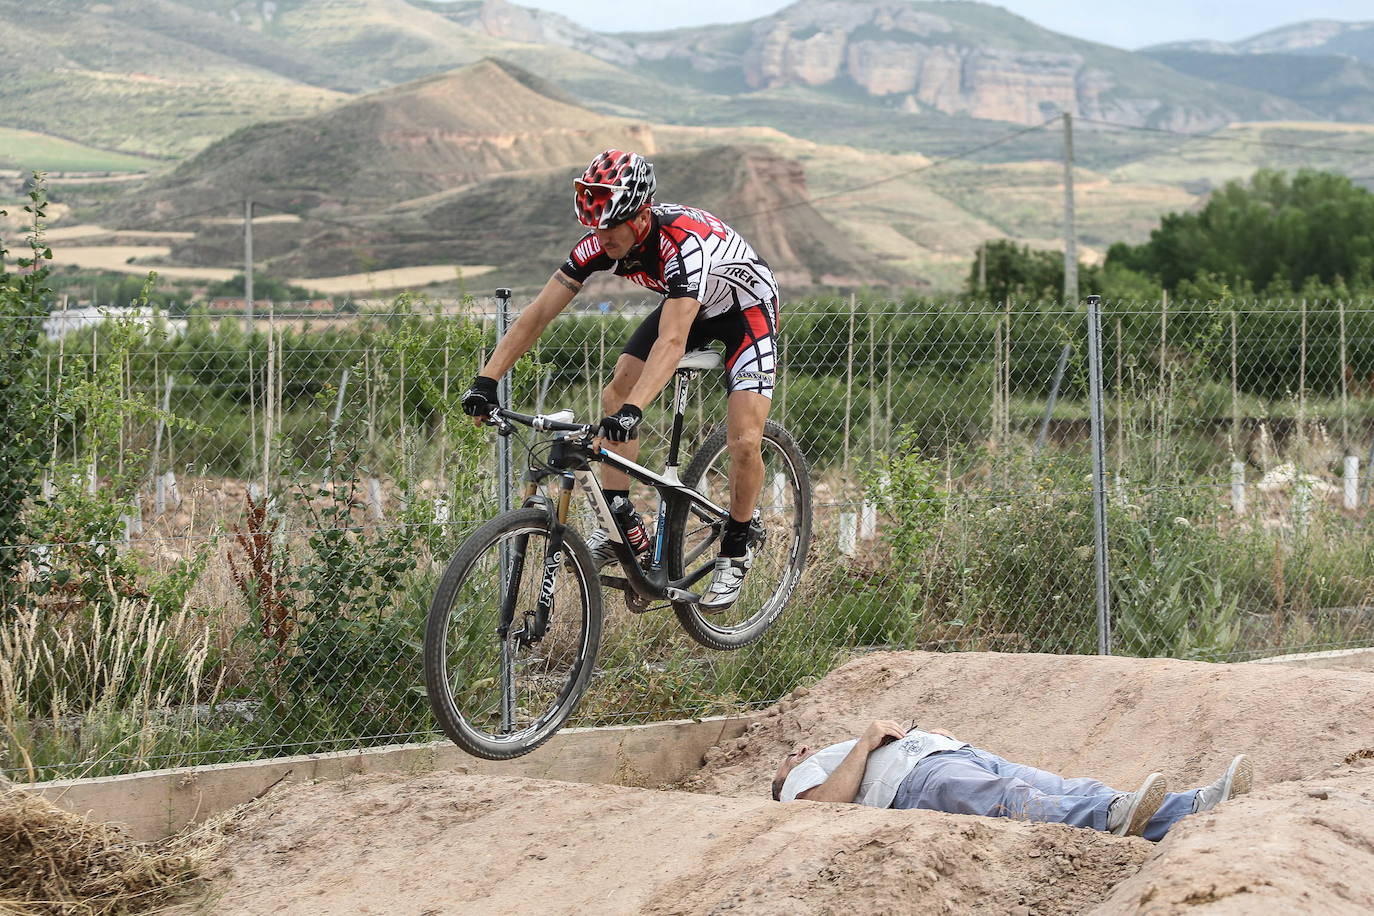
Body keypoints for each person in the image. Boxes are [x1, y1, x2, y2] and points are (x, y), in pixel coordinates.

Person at [461, 149, 781, 610]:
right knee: (616, 391)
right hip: (688, 304)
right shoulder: (598, 243)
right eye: (595, 226)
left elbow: (672, 342)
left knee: (744, 439)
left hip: (745, 310)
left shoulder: (683, 245)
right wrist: (486, 380)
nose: (602, 236)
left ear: (642, 217)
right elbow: (539, 313)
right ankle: (620, 521)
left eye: (611, 226)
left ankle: (736, 546)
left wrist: (635, 412)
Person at [772, 720, 1253, 840]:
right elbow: (823, 808)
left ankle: (1191, 807)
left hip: (956, 755)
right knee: (1015, 798)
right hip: (919, 781)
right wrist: (866, 740)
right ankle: (1112, 818)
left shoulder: (830, 755)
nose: (797, 751)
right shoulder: (800, 776)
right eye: (786, 760)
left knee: (1068, 787)